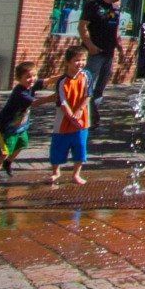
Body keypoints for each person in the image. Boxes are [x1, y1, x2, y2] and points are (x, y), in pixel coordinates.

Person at [79, 0, 123, 115]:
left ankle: (93, 114)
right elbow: (82, 27)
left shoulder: (116, 9)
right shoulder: (93, 6)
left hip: (108, 54)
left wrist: (120, 48)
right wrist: (90, 45)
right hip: (94, 53)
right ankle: (83, 113)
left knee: (100, 88)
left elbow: (115, 31)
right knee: (88, 84)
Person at [48, 47, 91, 186]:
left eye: (83, 59)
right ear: (68, 62)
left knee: (80, 147)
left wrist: (79, 112)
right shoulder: (62, 81)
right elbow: (62, 101)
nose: (81, 63)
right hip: (63, 121)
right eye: (77, 60)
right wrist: (71, 116)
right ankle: (56, 171)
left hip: (81, 120)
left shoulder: (86, 76)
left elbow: (88, 95)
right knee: (58, 147)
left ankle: (76, 174)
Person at [0, 61, 39, 181]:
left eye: (34, 76)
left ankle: (7, 163)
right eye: (28, 77)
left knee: (22, 144)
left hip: (20, 128)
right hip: (4, 129)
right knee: (3, 151)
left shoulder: (31, 85)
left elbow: (48, 81)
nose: (32, 79)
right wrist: (53, 98)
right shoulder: (20, 92)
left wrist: (65, 76)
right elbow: (36, 102)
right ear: (19, 78)